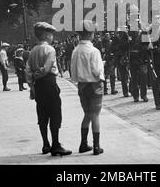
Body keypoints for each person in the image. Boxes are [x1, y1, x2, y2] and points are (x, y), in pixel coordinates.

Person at [26, 22, 72, 156]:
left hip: (38, 85)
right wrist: (39, 74)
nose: (52, 37)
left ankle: (45, 144)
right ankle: (56, 144)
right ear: (46, 35)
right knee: (55, 113)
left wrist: (32, 84)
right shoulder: (50, 50)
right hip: (49, 82)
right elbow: (46, 68)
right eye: (51, 34)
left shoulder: (32, 51)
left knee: (42, 114)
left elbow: (27, 70)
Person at [71, 20, 105, 155]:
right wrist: (102, 68)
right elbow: (97, 71)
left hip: (82, 86)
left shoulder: (75, 50)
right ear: (91, 34)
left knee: (87, 114)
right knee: (95, 115)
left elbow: (73, 71)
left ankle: (83, 144)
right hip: (94, 85)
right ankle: (97, 146)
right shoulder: (94, 51)